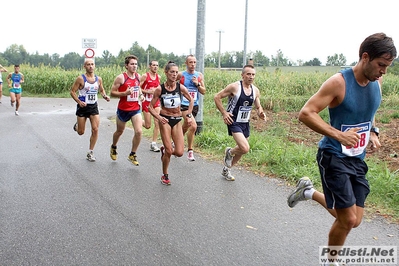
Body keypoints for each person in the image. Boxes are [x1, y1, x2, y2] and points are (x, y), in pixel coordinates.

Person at [287, 33, 397, 264]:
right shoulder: (339, 82)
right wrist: (339, 135)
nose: (384, 71)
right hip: (333, 155)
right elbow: (306, 113)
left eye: (387, 66)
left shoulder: (377, 81)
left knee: (354, 220)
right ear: (365, 57)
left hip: (357, 158)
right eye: (381, 65)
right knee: (346, 220)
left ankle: (307, 191)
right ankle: (330, 260)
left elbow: (369, 110)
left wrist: (373, 131)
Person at [214, 64, 266, 181]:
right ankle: (229, 151)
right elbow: (217, 97)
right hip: (233, 120)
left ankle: (227, 169)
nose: (251, 77)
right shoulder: (234, 87)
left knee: (242, 151)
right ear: (242, 75)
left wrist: (261, 113)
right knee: (245, 148)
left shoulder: (255, 90)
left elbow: (258, 107)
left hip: (245, 122)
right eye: (248, 74)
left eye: (253, 74)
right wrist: (224, 113)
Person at [149, 61, 193, 185]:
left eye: (176, 72)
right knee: (169, 150)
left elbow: (191, 100)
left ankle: (165, 151)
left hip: (177, 120)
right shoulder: (160, 89)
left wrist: (188, 115)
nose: (174, 74)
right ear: (166, 73)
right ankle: (165, 175)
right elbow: (150, 107)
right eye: (172, 72)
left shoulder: (181, 87)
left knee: (179, 153)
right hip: (165, 120)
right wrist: (158, 117)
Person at [70, 58, 110, 162]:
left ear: (95, 66)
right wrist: (79, 102)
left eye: (92, 64)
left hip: (93, 107)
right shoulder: (80, 79)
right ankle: (78, 126)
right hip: (82, 107)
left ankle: (90, 152)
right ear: (85, 66)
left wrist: (104, 96)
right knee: (81, 132)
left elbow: (101, 89)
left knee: (95, 129)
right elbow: (72, 91)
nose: (91, 66)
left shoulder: (98, 79)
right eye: (88, 64)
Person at [110, 55, 144, 166]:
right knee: (119, 131)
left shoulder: (138, 76)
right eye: (132, 64)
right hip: (123, 109)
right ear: (126, 65)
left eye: (135, 64)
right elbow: (112, 93)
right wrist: (124, 93)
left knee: (139, 131)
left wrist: (141, 95)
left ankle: (132, 154)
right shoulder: (121, 78)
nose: (134, 66)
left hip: (135, 108)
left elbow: (138, 87)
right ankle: (114, 146)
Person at [178, 55, 206, 161]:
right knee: (193, 126)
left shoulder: (199, 75)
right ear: (186, 63)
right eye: (190, 62)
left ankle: (175, 141)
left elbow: (203, 91)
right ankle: (190, 151)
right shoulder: (181, 75)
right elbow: (172, 84)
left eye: (194, 62)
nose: (193, 64)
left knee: (185, 126)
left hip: (194, 105)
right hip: (184, 104)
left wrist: (197, 84)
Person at [140, 60, 161, 152]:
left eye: (157, 65)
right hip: (146, 102)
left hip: (155, 102)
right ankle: (138, 121)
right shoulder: (145, 76)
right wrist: (147, 91)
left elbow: (159, 88)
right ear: (150, 66)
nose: (155, 67)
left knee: (157, 121)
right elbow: (138, 88)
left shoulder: (158, 77)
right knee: (148, 125)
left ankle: (154, 143)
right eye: (153, 65)